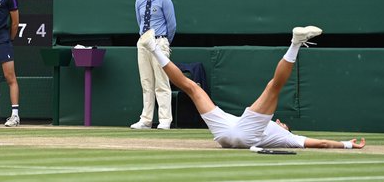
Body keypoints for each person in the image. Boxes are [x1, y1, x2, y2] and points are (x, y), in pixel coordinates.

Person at [137, 24, 366, 149]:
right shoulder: (283, 135)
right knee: (192, 88)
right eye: (283, 124)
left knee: (273, 87)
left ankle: (296, 43)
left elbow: (322, 143)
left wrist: (346, 144)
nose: (282, 123)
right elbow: (322, 143)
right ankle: (152, 47)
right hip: (227, 130)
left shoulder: (286, 137)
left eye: (285, 125)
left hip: (239, 133)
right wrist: (346, 144)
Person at [130, 0, 176, 130]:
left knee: (162, 82)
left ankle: (165, 120)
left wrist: (164, 42)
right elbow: (139, 21)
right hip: (143, 43)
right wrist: (145, 39)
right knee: (146, 82)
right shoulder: (139, 1)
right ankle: (146, 119)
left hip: (159, 41)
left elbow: (172, 24)